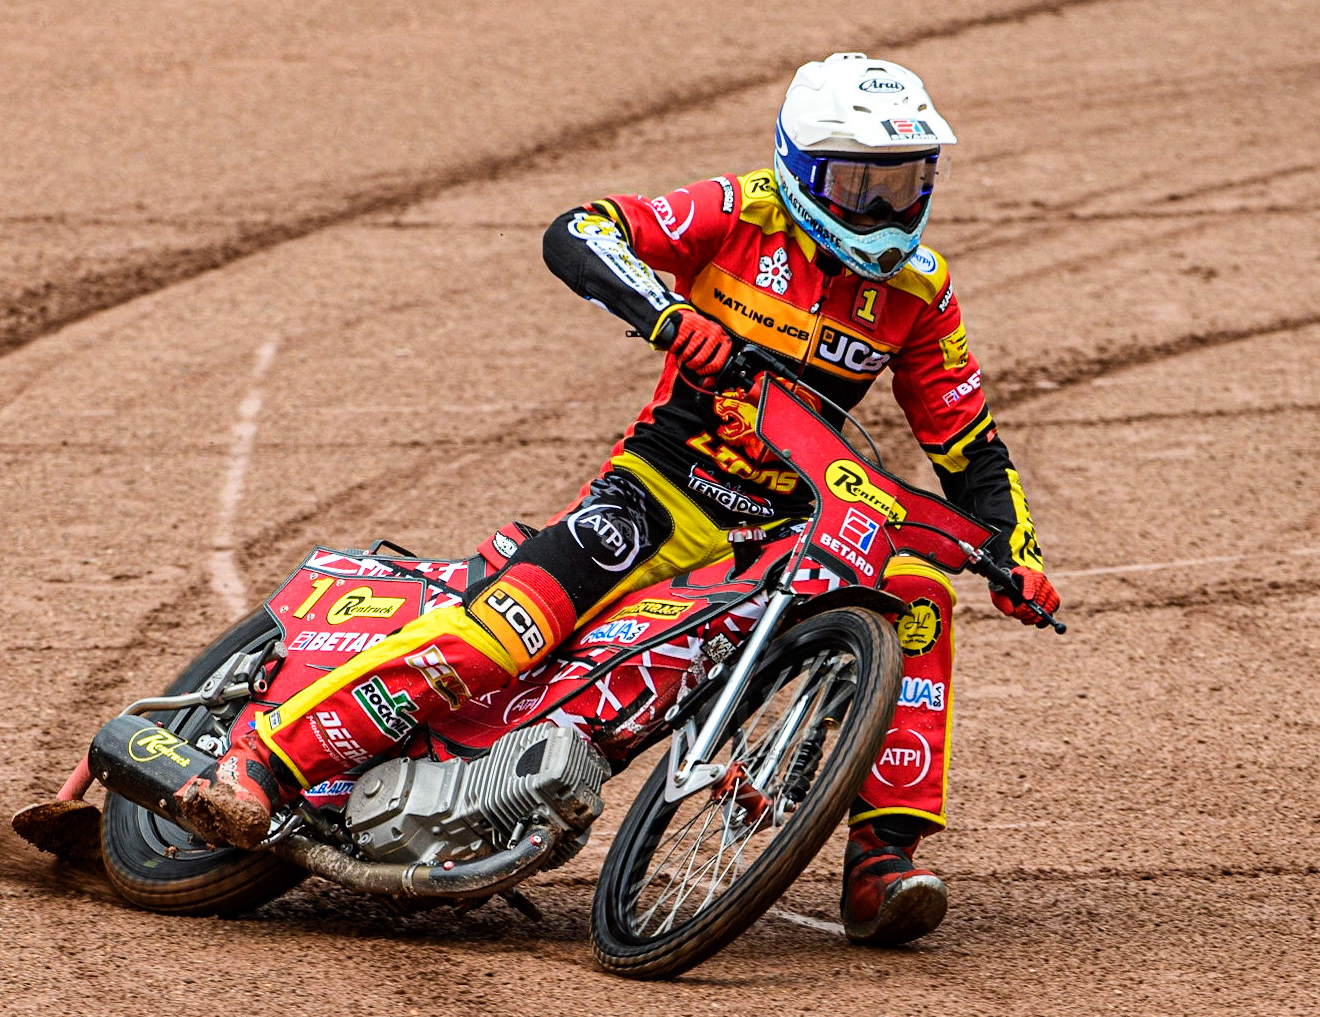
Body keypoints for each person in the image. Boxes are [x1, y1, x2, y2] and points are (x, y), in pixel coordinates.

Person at [182, 52, 1059, 947]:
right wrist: (668, 319)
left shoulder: (920, 292)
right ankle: (263, 762)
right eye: (858, 184)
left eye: (906, 182)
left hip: (784, 530)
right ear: (799, 169)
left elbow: (968, 443)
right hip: (654, 494)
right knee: (504, 636)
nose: (883, 209)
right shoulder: (740, 210)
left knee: (917, 596)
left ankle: (880, 862)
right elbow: (581, 230)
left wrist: (1015, 552)